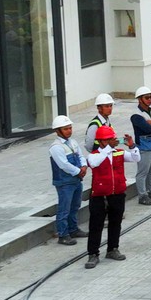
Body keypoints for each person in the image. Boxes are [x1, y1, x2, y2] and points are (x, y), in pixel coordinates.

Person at [83, 126, 134, 268]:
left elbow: (136, 157)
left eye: (112, 138)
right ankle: (93, 254)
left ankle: (112, 249)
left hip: (117, 194)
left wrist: (132, 146)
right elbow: (94, 163)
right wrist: (107, 149)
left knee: (115, 223)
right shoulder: (94, 155)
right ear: (100, 141)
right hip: (99, 195)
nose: (112, 141)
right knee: (96, 225)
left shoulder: (118, 153)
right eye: (108, 139)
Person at [48, 115, 86, 246]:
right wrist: (78, 171)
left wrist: (84, 166)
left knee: (75, 206)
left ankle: (73, 229)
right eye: (66, 129)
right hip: (65, 183)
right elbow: (63, 164)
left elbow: (81, 155)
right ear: (58, 131)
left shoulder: (73, 142)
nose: (69, 131)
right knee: (64, 208)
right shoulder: (56, 147)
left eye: (70, 128)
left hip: (76, 180)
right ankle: (63, 234)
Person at [130, 88, 151, 204]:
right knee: (142, 173)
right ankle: (142, 195)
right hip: (144, 148)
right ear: (140, 100)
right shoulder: (136, 115)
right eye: (147, 98)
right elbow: (147, 129)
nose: (150, 100)